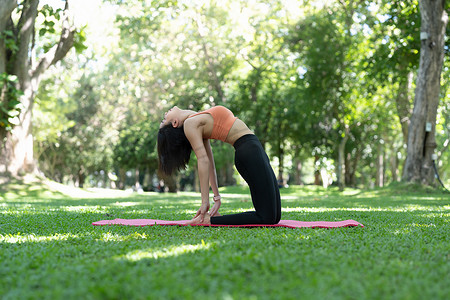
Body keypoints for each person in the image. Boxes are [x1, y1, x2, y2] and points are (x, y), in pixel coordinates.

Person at [157, 105, 281, 225]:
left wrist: (217, 197)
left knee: (275, 216)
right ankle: (209, 220)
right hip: (248, 153)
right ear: (174, 123)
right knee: (267, 217)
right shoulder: (190, 124)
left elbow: (210, 163)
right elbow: (203, 160)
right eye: (164, 120)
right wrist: (205, 202)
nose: (165, 114)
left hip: (254, 149)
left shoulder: (196, 119)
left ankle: (212, 219)